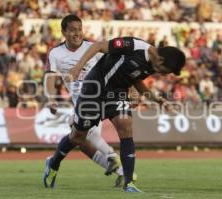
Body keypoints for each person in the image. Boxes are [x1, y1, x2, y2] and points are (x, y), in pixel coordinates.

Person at [44, 35, 186, 192]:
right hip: (95, 90)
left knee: (126, 126)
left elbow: (136, 79)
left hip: (117, 94)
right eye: (167, 71)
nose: (166, 75)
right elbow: (98, 46)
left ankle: (129, 183)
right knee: (78, 136)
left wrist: (160, 101)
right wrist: (78, 67)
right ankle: (53, 164)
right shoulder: (132, 45)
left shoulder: (153, 65)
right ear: (160, 60)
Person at [43, 15, 126, 188]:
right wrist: (51, 99)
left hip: (101, 97)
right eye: (72, 30)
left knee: (80, 131)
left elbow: (117, 64)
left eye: (79, 29)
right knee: (80, 139)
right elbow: (50, 77)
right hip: (82, 103)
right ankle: (119, 170)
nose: (77, 33)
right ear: (64, 32)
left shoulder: (93, 48)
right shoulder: (55, 53)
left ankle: (112, 158)